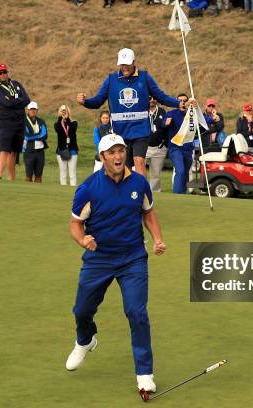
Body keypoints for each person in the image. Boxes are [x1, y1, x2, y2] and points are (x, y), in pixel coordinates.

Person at [66, 134, 166, 395]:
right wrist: (82, 240)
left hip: (132, 258)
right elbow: (75, 223)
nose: (118, 156)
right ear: (102, 158)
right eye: (111, 152)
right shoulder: (88, 188)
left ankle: (145, 374)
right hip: (99, 258)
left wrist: (157, 238)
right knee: (82, 310)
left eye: (121, 150)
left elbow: (148, 212)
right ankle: (85, 340)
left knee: (136, 313)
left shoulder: (139, 183)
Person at [76, 48, 181, 176]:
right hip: (120, 133)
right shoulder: (111, 79)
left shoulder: (145, 77)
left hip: (140, 131)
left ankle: (142, 194)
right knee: (124, 168)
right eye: (122, 64)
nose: (125, 67)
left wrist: (178, 103)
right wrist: (85, 102)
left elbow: (161, 96)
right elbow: (98, 101)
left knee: (140, 161)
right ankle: (127, 193)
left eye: (127, 64)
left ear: (134, 62)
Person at [0, 63, 30, 180]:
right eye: (0, 73)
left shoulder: (16, 84)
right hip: (6, 123)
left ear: (7, 72)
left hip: (20, 122)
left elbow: (27, 100)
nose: (3, 74)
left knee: (14, 151)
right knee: (4, 150)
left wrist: (13, 100)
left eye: (4, 72)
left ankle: (10, 177)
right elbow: (6, 103)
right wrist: (18, 100)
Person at [165, 94, 198, 194]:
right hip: (175, 148)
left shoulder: (191, 114)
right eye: (180, 100)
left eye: (185, 100)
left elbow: (203, 121)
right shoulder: (171, 113)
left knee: (185, 173)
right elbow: (163, 123)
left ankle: (183, 194)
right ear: (177, 102)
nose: (183, 103)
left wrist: (213, 119)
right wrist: (166, 122)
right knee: (180, 170)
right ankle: (177, 194)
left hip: (188, 149)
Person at [145, 96, 168, 192]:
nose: (151, 100)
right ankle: (138, 191)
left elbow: (167, 129)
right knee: (137, 171)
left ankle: (154, 194)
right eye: (149, 98)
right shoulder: (142, 111)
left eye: (154, 98)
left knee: (155, 174)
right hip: (143, 147)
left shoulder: (162, 112)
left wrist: (165, 143)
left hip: (159, 148)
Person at [23, 101, 48, 183]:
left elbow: (45, 135)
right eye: (31, 109)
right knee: (28, 176)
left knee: (39, 176)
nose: (33, 111)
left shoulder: (41, 121)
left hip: (40, 152)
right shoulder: (24, 121)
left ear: (37, 110)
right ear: (27, 110)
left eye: (34, 109)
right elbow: (26, 136)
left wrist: (33, 135)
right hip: (28, 151)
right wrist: (38, 135)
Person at [55, 105, 79, 186]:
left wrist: (67, 118)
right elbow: (58, 130)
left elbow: (72, 130)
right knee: (63, 172)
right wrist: (60, 118)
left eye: (65, 111)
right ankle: (63, 189)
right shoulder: (57, 124)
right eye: (62, 111)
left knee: (72, 173)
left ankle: (73, 190)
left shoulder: (74, 123)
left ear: (68, 112)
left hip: (72, 150)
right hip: (61, 151)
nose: (64, 112)